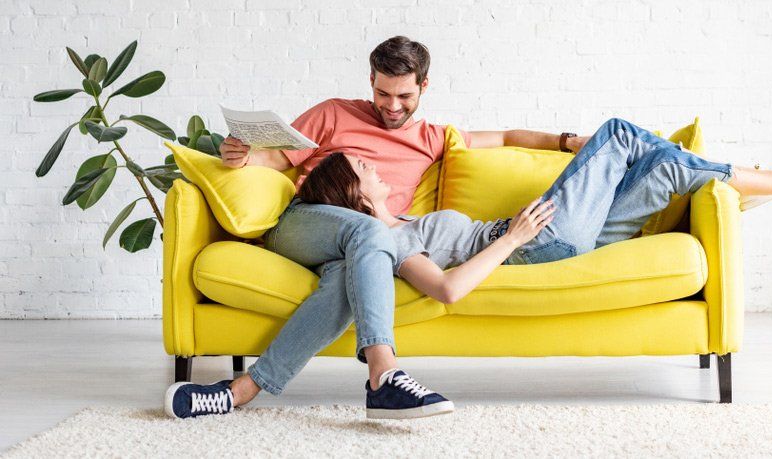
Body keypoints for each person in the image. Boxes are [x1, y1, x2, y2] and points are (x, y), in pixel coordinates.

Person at [166, 36, 600, 421]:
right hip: (306, 223)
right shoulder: (333, 113)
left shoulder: (431, 137)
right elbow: (276, 160)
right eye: (382, 93)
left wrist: (566, 141)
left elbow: (504, 138)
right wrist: (242, 158)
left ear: (424, 86)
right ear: (370, 81)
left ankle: (239, 391)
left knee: (349, 277)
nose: (392, 106)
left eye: (404, 96)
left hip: (363, 246)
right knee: (373, 232)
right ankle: (383, 375)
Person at [297, 118, 772, 307]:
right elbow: (447, 290)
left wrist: (563, 143)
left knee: (668, 169)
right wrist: (512, 237)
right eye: (364, 168)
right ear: (356, 195)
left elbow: (500, 134)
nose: (375, 167)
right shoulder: (389, 243)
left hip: (565, 240)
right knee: (618, 132)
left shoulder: (398, 222)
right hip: (535, 242)